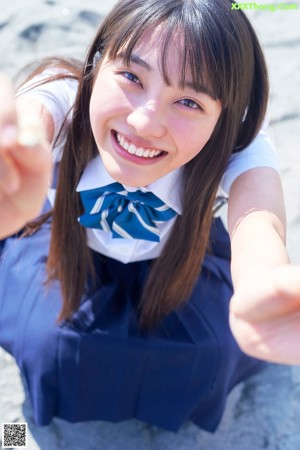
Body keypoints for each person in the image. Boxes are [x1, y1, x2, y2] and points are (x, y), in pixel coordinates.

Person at [0, 0, 290, 433]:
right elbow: (29, 126)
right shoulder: (64, 95)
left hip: (181, 262)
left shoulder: (239, 140)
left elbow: (258, 222)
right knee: (50, 342)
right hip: (70, 248)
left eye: (189, 102)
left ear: (223, 116)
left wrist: (265, 283)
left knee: (206, 352)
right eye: (132, 77)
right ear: (98, 64)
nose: (144, 121)